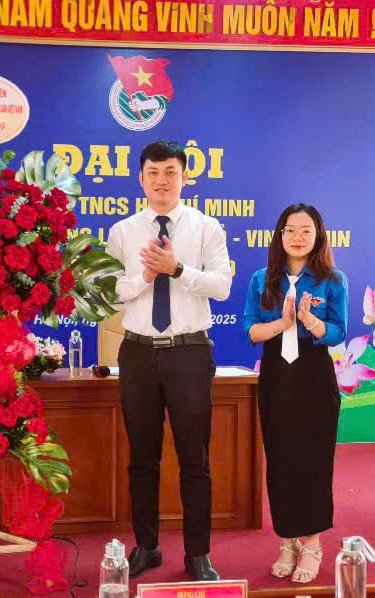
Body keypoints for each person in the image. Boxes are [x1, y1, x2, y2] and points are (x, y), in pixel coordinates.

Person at [104, 140, 232, 581]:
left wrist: (177, 269)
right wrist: (146, 275)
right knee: (142, 457)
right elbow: (111, 292)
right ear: (141, 178)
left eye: (171, 172)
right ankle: (147, 546)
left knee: (195, 458)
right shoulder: (122, 231)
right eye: (154, 172)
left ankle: (198, 554)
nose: (162, 180)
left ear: (184, 177)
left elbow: (222, 286)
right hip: (137, 353)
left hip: (189, 353)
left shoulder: (207, 227)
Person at [242, 203, 347, 583]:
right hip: (276, 374)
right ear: (280, 235)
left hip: (314, 374)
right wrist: (283, 323)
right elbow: (251, 330)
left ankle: (313, 543)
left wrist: (311, 322)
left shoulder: (332, 279)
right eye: (290, 230)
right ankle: (287, 541)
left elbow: (338, 332)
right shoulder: (261, 279)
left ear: (318, 236)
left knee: (314, 461)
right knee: (281, 459)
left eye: (306, 230)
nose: (298, 237)